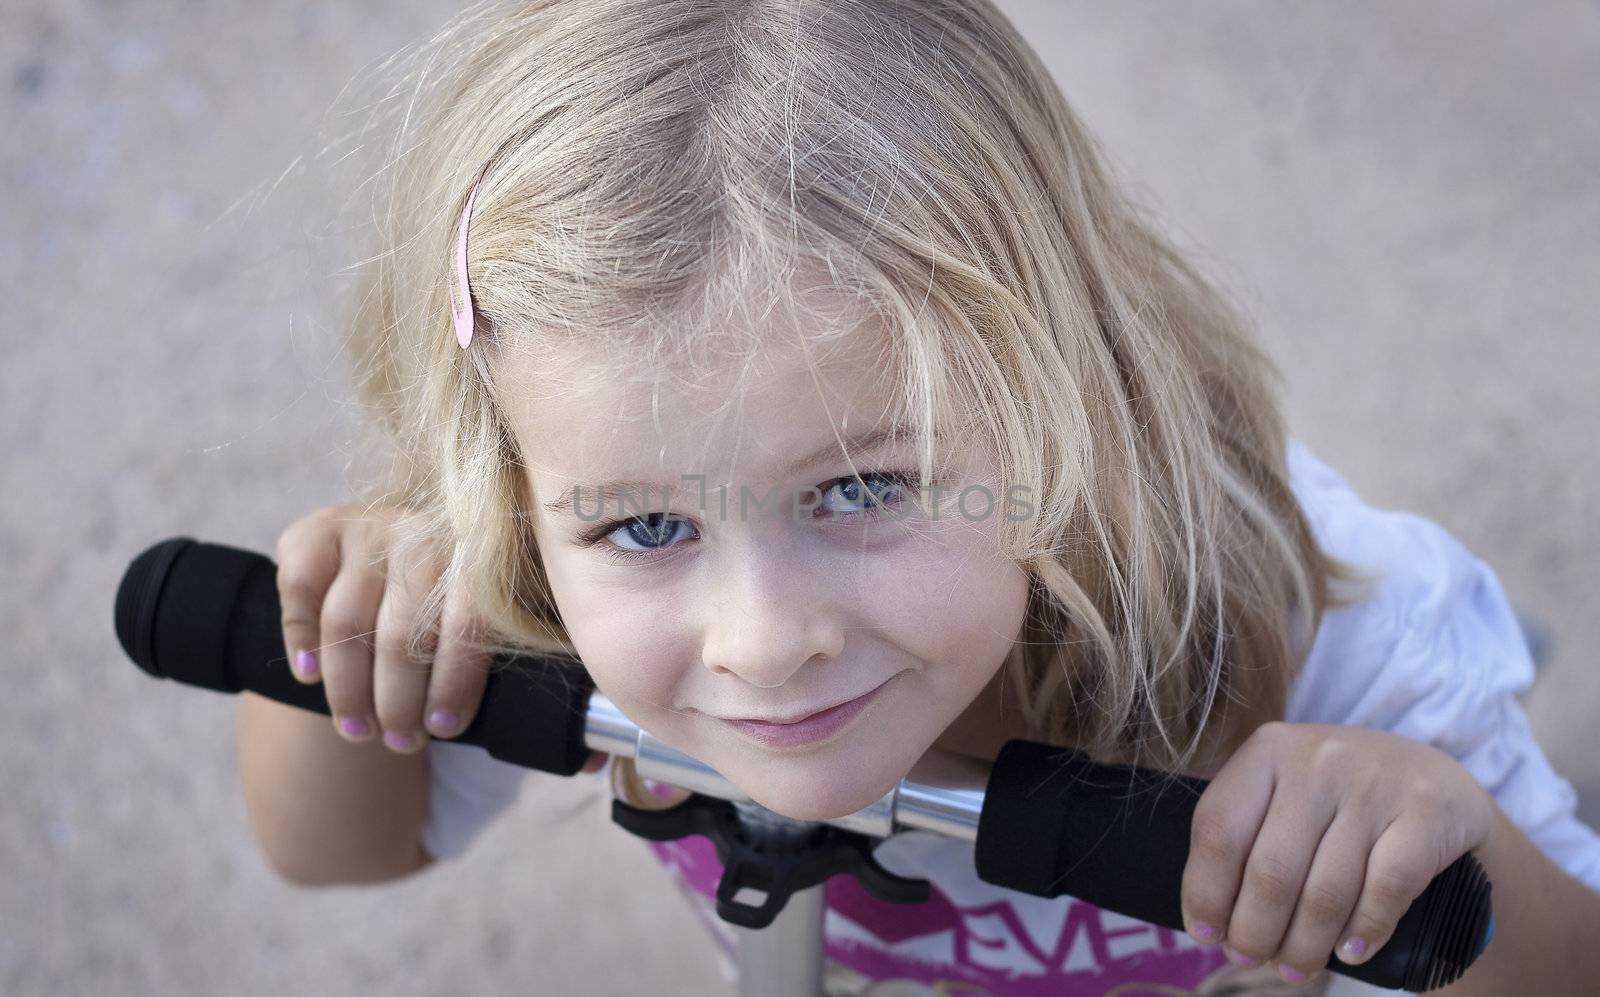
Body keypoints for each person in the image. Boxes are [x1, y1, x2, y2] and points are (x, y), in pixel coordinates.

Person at [237, 1, 1600, 993]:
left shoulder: (1343, 639)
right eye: (648, 523)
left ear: (1059, 397)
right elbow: (334, 852)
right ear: (517, 488)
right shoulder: (528, 580)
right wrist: (340, 653)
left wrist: (1440, 846)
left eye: (865, 485)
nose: (763, 642)